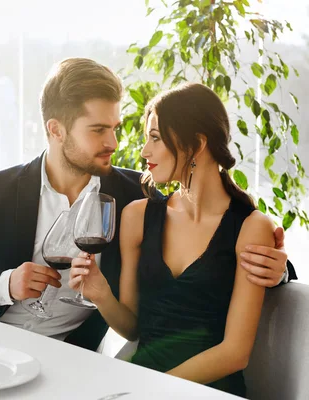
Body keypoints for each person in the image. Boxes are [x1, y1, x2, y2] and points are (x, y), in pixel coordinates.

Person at [0, 58, 295, 352]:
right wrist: (5, 283)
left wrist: (278, 271)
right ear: (56, 129)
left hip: (72, 360)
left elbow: (211, 236)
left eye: (115, 127)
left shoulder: (135, 197)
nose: (113, 142)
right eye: (98, 130)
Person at [68, 82, 292, 396]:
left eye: (155, 138)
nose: (145, 151)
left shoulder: (251, 226)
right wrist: (101, 293)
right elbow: (132, 327)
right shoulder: (137, 216)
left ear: (197, 143)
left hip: (206, 391)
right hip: (142, 386)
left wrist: (155, 389)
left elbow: (234, 353)